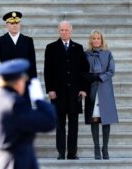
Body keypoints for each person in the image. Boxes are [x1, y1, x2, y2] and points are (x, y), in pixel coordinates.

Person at [0, 59, 57, 169]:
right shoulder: (15, 104)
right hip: (17, 163)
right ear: (17, 82)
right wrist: (39, 100)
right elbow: (49, 121)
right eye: (23, 80)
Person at [44, 20, 89, 160]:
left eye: (66, 30)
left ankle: (72, 153)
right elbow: (47, 71)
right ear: (59, 31)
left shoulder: (78, 48)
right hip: (58, 94)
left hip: (75, 93)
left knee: (74, 125)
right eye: (62, 30)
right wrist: (50, 89)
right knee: (60, 125)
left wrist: (83, 88)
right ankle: (61, 152)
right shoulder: (51, 47)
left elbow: (84, 70)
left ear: (71, 31)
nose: (64, 32)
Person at [84, 30, 119, 160]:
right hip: (92, 89)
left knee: (106, 120)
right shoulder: (86, 54)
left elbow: (111, 71)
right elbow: (83, 71)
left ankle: (105, 148)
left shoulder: (108, 54)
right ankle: (96, 148)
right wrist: (91, 78)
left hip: (105, 89)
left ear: (102, 40)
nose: (96, 40)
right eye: (94, 38)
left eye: (98, 38)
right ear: (91, 40)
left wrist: (100, 77)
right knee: (94, 120)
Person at [0, 11, 37, 104]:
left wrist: (33, 85)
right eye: (12, 23)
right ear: (7, 25)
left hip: (24, 84)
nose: (15, 25)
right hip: (6, 85)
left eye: (17, 23)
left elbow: (32, 64)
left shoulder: (28, 41)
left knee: (24, 115)